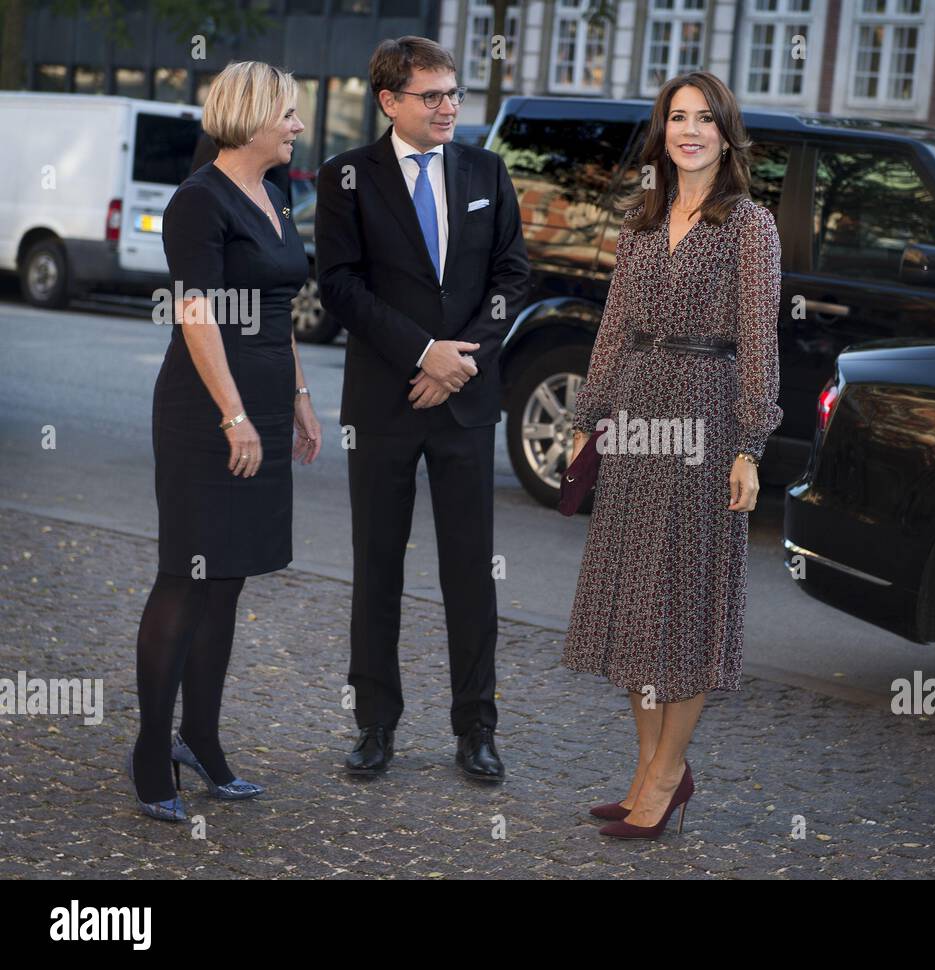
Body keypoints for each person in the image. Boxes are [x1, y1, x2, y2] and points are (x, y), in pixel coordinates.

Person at [562, 71, 783, 839]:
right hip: (636, 416)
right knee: (635, 608)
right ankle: (649, 768)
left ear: (727, 132)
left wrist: (751, 446)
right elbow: (614, 326)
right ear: (663, 131)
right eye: (676, 118)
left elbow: (760, 344)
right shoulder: (642, 220)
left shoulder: (749, 225)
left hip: (708, 416)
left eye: (704, 118)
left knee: (684, 610)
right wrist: (589, 417)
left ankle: (665, 780)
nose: (689, 130)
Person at [314, 37, 529, 781]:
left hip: (464, 402)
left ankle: (477, 729)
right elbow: (339, 286)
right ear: (389, 101)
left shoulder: (486, 171)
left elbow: (511, 275)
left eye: (453, 94)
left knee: (470, 572)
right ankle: (375, 724)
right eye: (431, 95)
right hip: (384, 402)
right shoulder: (345, 177)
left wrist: (456, 358)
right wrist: (420, 353)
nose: (447, 107)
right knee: (377, 567)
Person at [129, 61, 319, 822]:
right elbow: (197, 314)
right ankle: (150, 752)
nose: (299, 127)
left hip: (267, 405)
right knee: (186, 574)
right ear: (251, 116)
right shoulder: (197, 201)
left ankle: (200, 739)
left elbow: (282, 308)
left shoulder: (274, 195)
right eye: (291, 114)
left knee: (230, 577)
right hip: (207, 411)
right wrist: (234, 416)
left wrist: (300, 402)